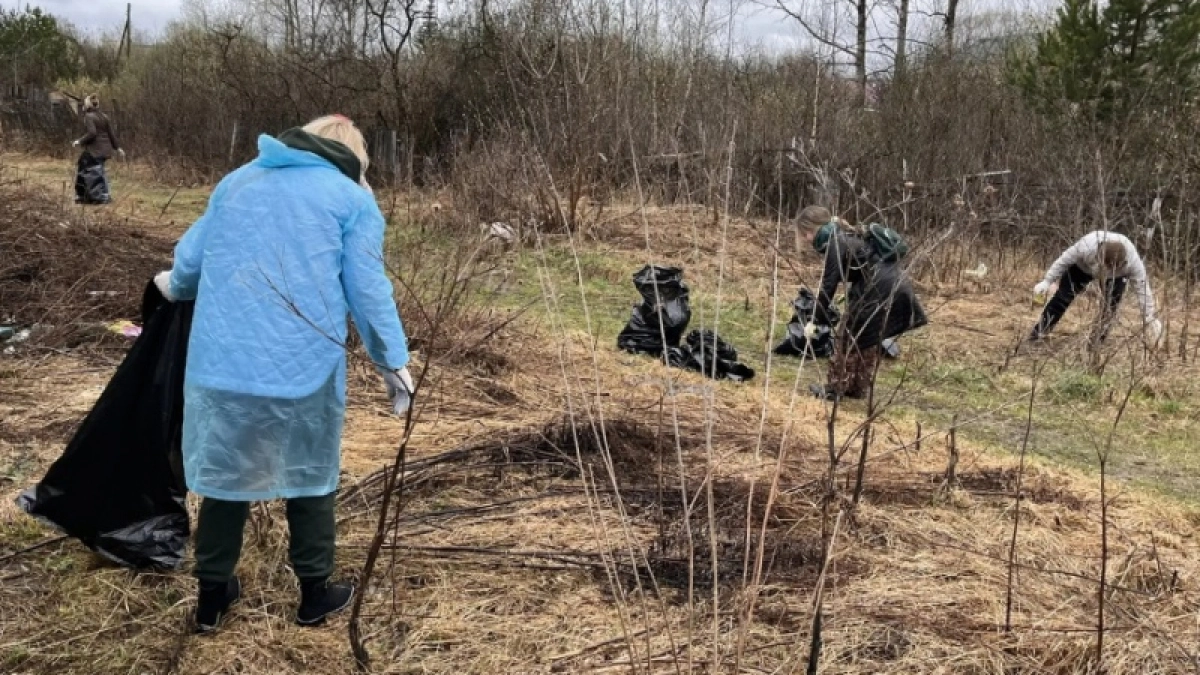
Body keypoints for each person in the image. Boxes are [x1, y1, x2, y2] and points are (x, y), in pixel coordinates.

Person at [153, 115, 413, 634]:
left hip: (220, 366)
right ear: (354, 158)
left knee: (226, 478)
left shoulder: (238, 181)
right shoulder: (351, 199)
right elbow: (368, 291)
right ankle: (315, 594)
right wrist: (393, 362)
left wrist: (171, 285)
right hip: (304, 368)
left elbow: (189, 265)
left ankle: (211, 600)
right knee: (312, 475)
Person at [797, 206, 928, 400]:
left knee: (846, 335)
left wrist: (813, 320)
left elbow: (828, 285)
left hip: (878, 285)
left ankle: (835, 388)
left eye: (805, 234)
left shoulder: (836, 242)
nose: (807, 240)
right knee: (868, 336)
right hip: (895, 282)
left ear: (812, 229)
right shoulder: (848, 234)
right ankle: (857, 388)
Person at [1030, 230, 1162, 346]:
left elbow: (1142, 287)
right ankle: (1039, 332)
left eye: (1111, 267)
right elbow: (1064, 260)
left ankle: (1097, 342)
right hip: (1083, 268)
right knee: (1063, 297)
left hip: (1116, 277)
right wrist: (1047, 281)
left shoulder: (1132, 262)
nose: (1106, 269)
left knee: (1111, 305)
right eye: (1106, 265)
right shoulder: (1087, 245)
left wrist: (1149, 317)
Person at [72, 95, 124, 204]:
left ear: (87, 105)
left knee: (90, 171)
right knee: (100, 171)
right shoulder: (105, 116)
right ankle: (104, 195)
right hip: (105, 150)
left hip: (95, 150)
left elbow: (92, 133)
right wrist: (117, 148)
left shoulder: (89, 116)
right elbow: (111, 134)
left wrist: (79, 141)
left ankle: (94, 196)